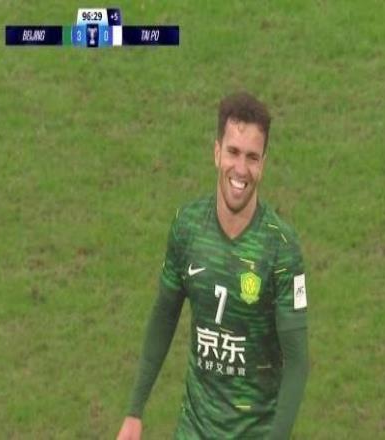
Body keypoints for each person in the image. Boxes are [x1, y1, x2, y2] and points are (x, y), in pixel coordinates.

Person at [116, 92, 309, 440]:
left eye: (252, 157)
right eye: (233, 152)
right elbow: (163, 317)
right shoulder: (188, 227)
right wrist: (134, 410)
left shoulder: (281, 248)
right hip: (194, 430)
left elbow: (297, 361)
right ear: (216, 152)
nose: (241, 169)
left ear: (263, 164)